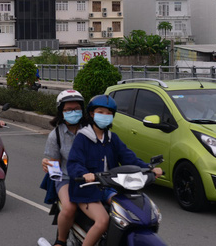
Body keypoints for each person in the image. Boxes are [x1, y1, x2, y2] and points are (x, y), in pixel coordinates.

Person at [67, 95, 163, 246]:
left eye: (108, 113)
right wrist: (84, 174)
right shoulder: (83, 138)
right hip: (87, 190)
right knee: (103, 221)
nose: (105, 116)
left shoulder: (112, 138)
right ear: (92, 114)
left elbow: (129, 158)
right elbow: (74, 163)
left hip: (109, 187)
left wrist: (149, 169)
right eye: (101, 112)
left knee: (132, 212)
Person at [41, 90, 86, 246]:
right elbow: (54, 166)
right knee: (68, 208)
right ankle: (60, 241)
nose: (73, 112)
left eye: (76, 109)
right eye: (68, 109)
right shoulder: (56, 135)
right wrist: (47, 164)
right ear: (61, 112)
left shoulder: (91, 131)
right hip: (66, 178)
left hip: (91, 177)